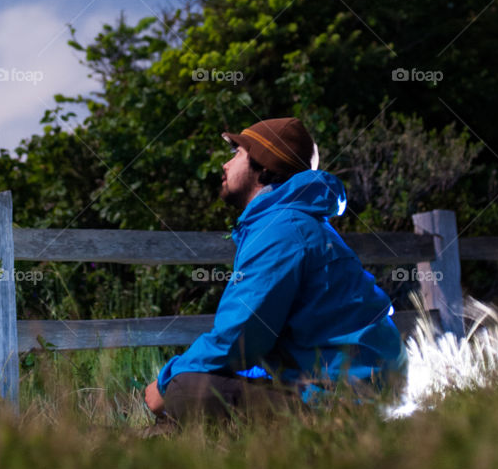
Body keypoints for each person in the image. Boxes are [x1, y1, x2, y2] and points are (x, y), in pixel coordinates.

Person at [143, 117, 407, 431]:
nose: (225, 165)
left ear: (265, 168)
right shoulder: (290, 223)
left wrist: (164, 382)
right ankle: (171, 437)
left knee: (187, 389)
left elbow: (240, 338)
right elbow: (265, 345)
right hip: (358, 394)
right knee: (206, 384)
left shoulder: (282, 230)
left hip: (346, 404)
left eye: (237, 154)